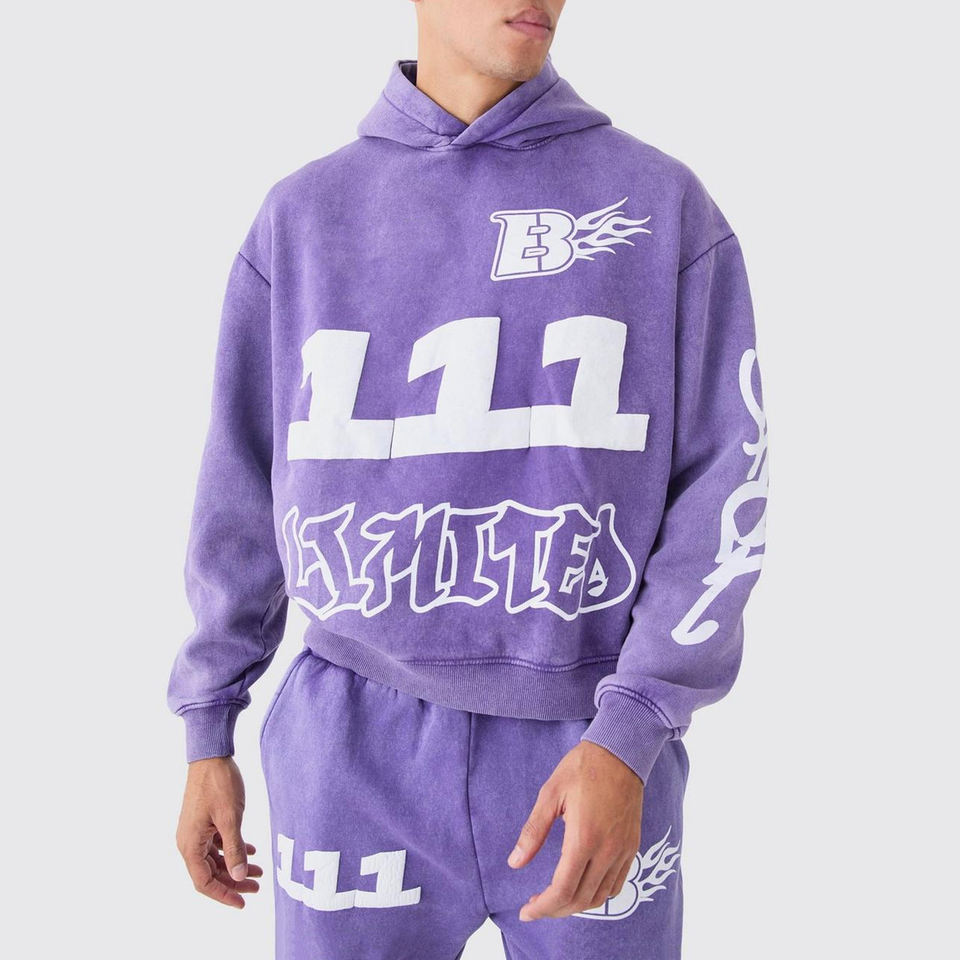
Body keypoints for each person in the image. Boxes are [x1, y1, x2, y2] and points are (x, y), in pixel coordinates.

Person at [168, 1, 769, 957]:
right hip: (350, 750)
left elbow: (722, 494)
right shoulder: (303, 218)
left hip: (594, 743)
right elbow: (238, 489)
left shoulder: (659, 208)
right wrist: (209, 727)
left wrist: (631, 731)